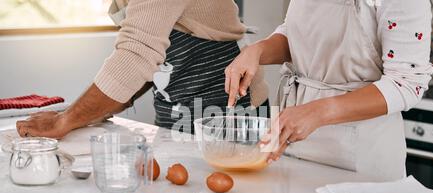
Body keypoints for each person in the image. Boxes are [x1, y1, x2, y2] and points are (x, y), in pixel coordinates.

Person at [225, 0, 433, 181]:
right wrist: (258, 51)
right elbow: (298, 37)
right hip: (293, 144)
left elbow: (407, 82)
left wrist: (318, 112)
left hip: (358, 158)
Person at [16, 0, 269, 139]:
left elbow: (136, 56)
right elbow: (150, 58)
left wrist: (65, 120)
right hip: (178, 112)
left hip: (228, 113)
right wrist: (87, 113)